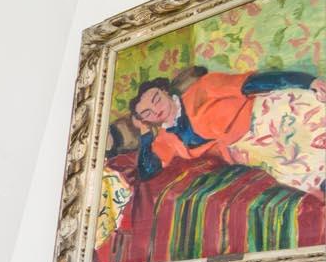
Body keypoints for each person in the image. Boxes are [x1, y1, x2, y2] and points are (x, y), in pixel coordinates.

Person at [126, 66, 325, 179]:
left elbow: (254, 83)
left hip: (261, 115)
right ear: (145, 120)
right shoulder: (165, 138)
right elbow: (147, 171)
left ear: (165, 91)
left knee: (310, 120)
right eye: (147, 113)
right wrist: (144, 133)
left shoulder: (204, 87)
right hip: (245, 147)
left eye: (156, 99)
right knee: (292, 165)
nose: (156, 109)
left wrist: (307, 81)